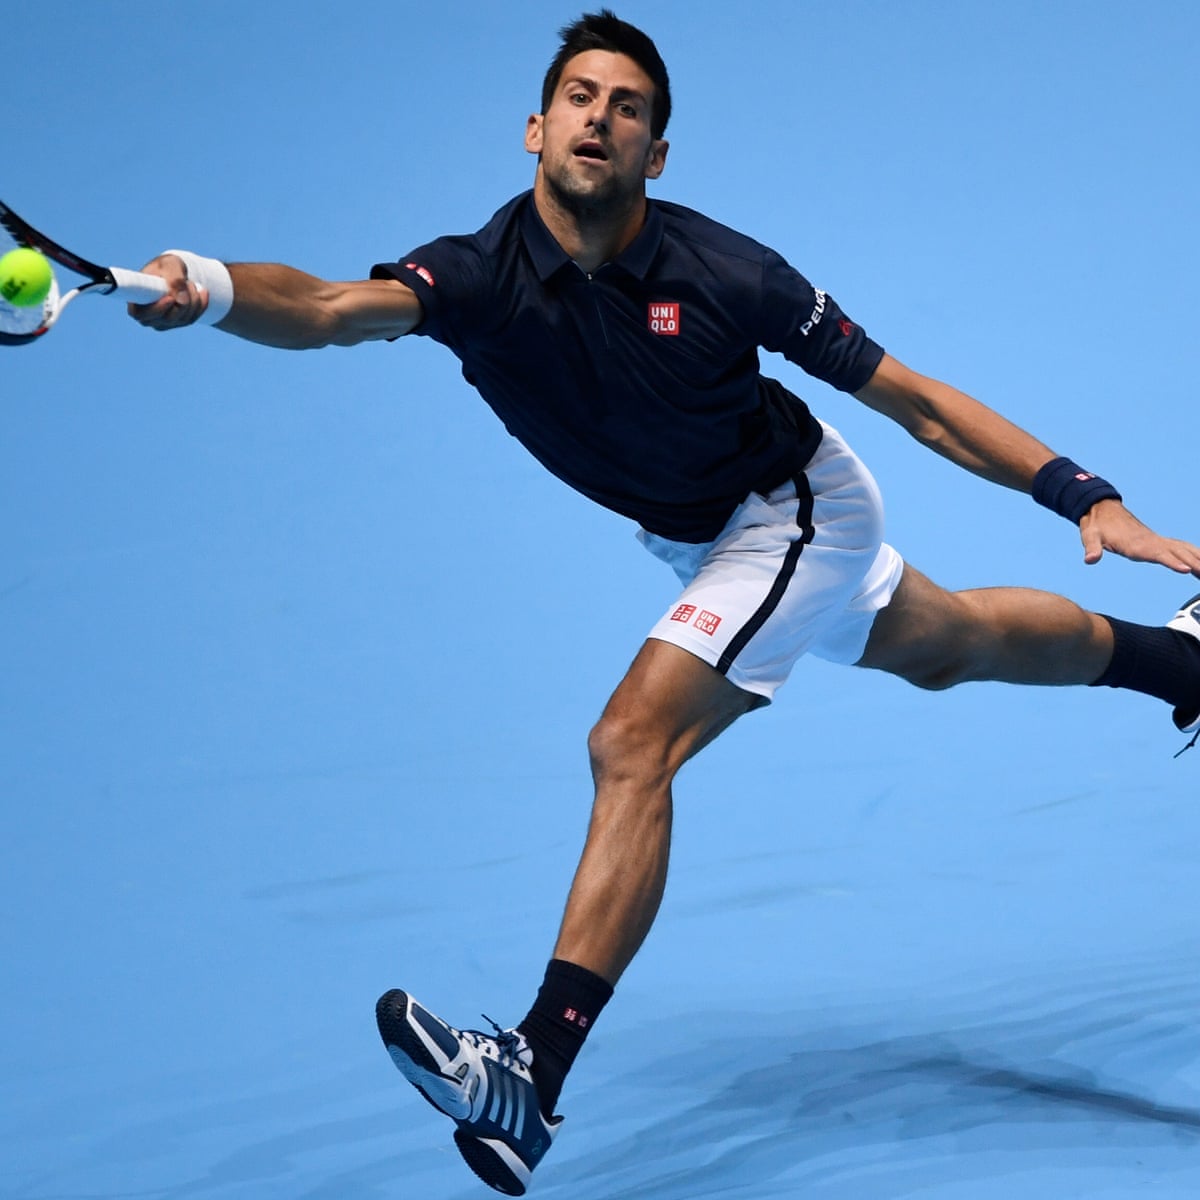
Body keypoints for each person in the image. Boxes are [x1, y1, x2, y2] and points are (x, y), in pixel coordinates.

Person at [130, 10, 1200, 1195]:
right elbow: (329, 308)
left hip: (793, 506)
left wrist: (1086, 497)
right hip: (693, 539)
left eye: (628, 106)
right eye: (581, 96)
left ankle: (529, 1073)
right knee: (949, 644)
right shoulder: (479, 275)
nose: (601, 117)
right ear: (537, 127)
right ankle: (1182, 665)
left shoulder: (728, 272)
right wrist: (215, 286)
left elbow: (918, 401)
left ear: (657, 154)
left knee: (632, 741)